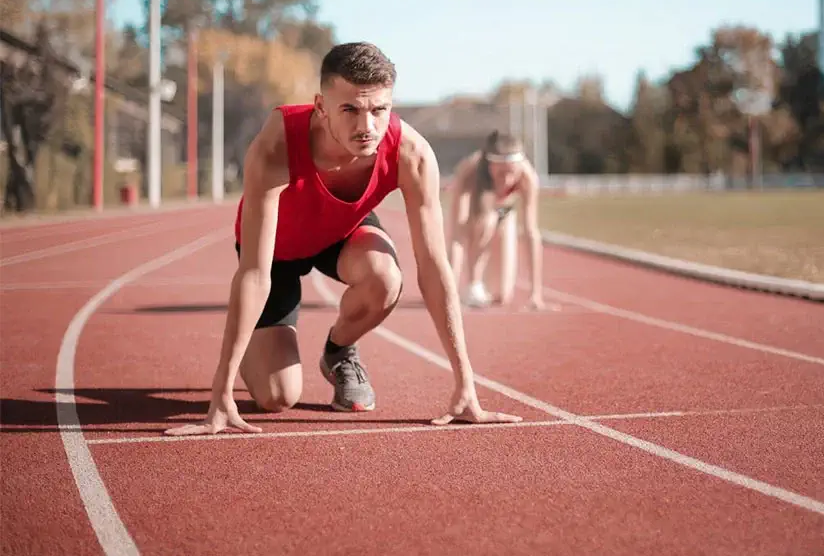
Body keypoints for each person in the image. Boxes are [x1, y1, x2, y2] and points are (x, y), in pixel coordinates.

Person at [166, 42, 522, 436]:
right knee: (276, 397)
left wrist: (465, 384)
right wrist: (220, 394)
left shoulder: (412, 154)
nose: (366, 126)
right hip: (277, 252)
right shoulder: (277, 144)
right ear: (321, 106)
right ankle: (255, 347)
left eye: (378, 110)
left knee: (386, 278)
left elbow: (435, 268)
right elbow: (254, 272)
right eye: (350, 109)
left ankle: (338, 351)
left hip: (341, 233)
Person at [446, 131, 553, 310]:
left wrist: (536, 294)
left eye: (512, 172)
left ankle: (485, 287)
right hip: (478, 212)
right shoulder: (469, 172)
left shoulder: (527, 178)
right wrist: (449, 291)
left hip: (506, 212)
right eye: (501, 173)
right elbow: (457, 235)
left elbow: (531, 232)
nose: (507, 179)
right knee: (487, 222)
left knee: (501, 295)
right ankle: (474, 284)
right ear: (489, 166)